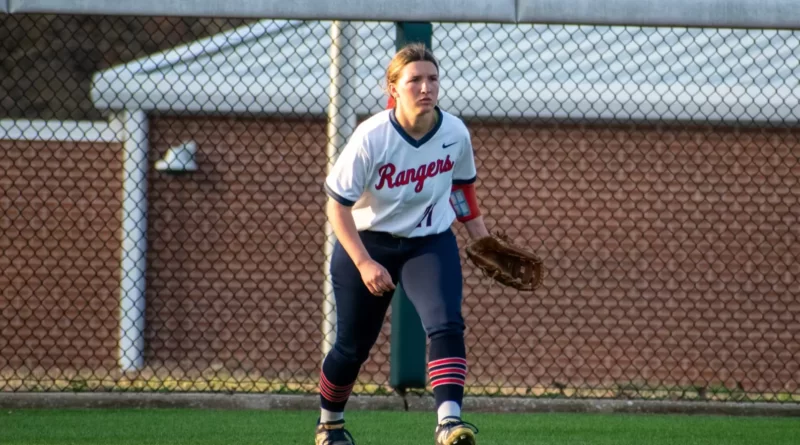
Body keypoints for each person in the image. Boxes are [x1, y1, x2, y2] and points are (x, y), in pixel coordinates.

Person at [316, 42, 490, 445]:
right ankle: (330, 424)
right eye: (415, 80)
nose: (426, 87)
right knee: (351, 347)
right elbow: (337, 208)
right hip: (369, 243)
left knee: (446, 323)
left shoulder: (454, 132)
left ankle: (449, 423)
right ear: (392, 88)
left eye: (432, 79)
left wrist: (482, 242)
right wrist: (362, 262)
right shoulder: (371, 136)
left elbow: (461, 189)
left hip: (429, 242)